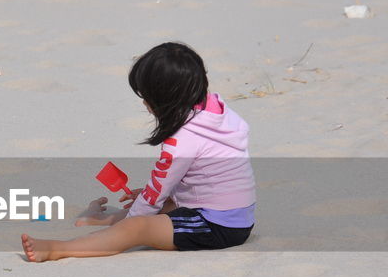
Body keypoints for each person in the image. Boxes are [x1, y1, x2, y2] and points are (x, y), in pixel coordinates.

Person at [21, 42, 255, 262]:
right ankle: (97, 220)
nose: (145, 104)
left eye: (146, 97)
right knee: (157, 204)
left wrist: (128, 227)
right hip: (235, 214)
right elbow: (206, 173)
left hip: (217, 226)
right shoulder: (216, 112)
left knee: (138, 225)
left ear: (165, 100)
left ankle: (58, 249)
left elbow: (156, 192)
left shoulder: (182, 141)